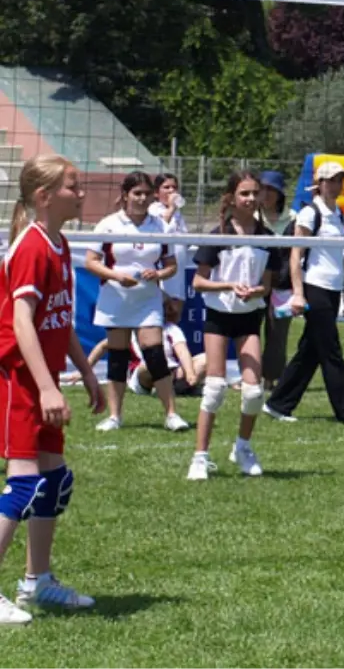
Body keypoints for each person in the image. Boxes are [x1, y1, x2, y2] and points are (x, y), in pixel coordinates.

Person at [0, 155, 104, 623]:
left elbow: (57, 321)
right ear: (44, 196)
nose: (81, 194)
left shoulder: (59, 244)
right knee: (23, 485)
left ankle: (36, 583)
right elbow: (22, 320)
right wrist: (45, 387)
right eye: (72, 186)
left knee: (54, 482)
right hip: (19, 382)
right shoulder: (31, 247)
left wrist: (84, 370)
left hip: (43, 381)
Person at [264, 162, 344, 426]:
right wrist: (299, 294)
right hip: (315, 288)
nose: (339, 185)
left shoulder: (337, 213)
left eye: (341, 180)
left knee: (310, 351)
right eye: (334, 180)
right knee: (331, 351)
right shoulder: (309, 214)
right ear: (321, 183)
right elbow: (296, 256)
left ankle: (278, 404)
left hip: (333, 288)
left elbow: (338, 256)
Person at [187, 171, 282, 481]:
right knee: (214, 388)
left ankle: (242, 446)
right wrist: (228, 286)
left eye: (256, 193)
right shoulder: (218, 235)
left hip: (249, 318)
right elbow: (199, 282)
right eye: (244, 193)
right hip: (219, 317)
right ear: (231, 198)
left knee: (254, 391)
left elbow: (266, 287)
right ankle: (200, 457)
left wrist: (256, 291)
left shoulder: (267, 239)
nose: (251, 199)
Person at [87, 171, 188, 433]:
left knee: (154, 352)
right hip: (115, 298)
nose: (142, 198)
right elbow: (91, 262)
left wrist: (158, 274)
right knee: (118, 356)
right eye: (136, 193)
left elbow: (172, 266)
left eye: (146, 193)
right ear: (125, 195)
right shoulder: (108, 225)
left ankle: (171, 414)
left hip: (147, 300)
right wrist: (116, 276)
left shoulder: (161, 226)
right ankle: (114, 416)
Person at [257, 170, 295, 391]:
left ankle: (272, 376)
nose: (266, 194)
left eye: (272, 189)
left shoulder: (293, 219)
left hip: (283, 285)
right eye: (263, 188)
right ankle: (248, 374)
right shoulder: (251, 218)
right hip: (255, 284)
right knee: (249, 331)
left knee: (278, 333)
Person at [149, 172, 189, 309]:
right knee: (164, 311)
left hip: (178, 272)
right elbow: (158, 229)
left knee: (176, 310)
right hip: (163, 271)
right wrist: (171, 208)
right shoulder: (153, 210)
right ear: (156, 192)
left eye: (174, 187)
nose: (172, 191)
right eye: (166, 187)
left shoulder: (177, 213)